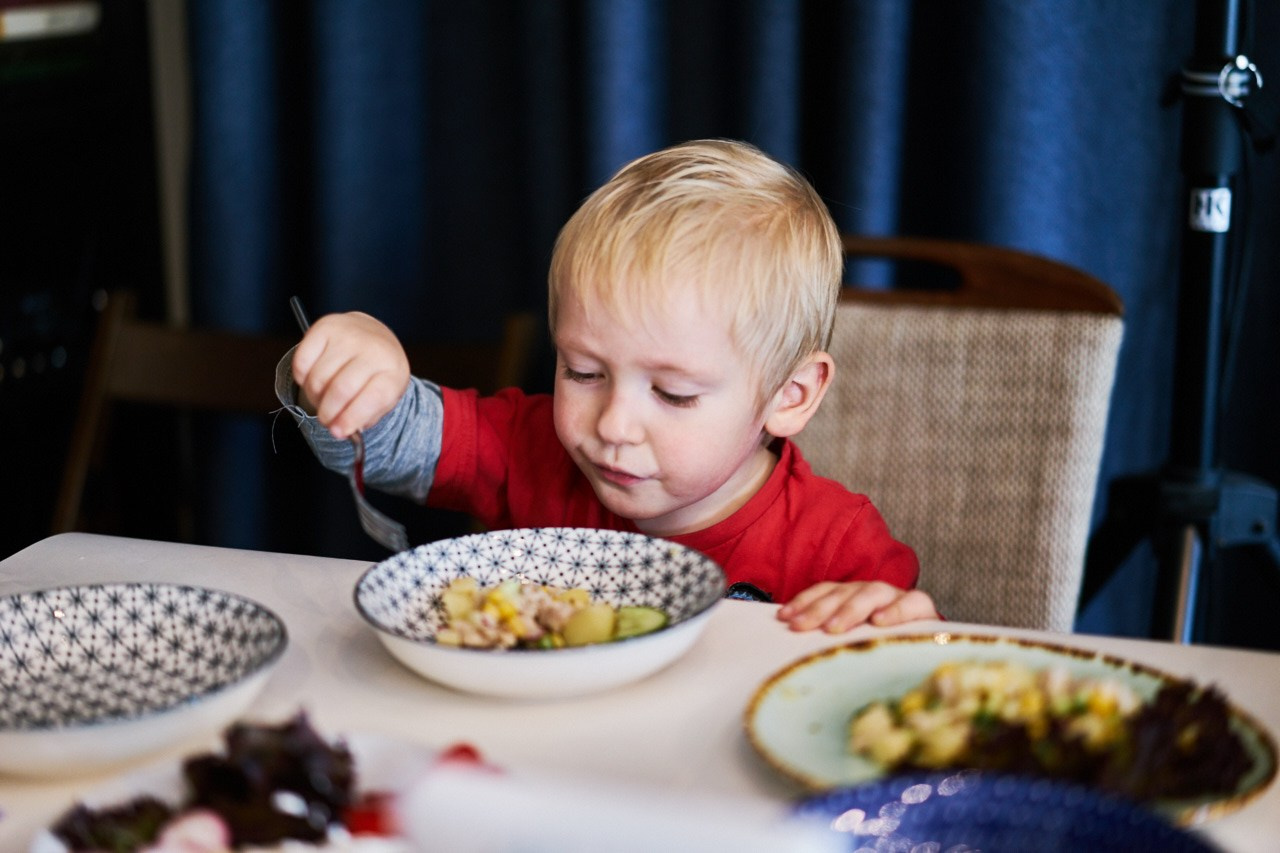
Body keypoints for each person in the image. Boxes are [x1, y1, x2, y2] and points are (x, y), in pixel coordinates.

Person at [277, 138, 938, 633]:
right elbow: (387, 441)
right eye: (583, 372)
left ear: (789, 395)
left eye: (674, 394)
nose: (612, 424)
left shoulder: (835, 543)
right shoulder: (534, 447)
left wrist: (896, 627)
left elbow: (901, 662)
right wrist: (355, 377)